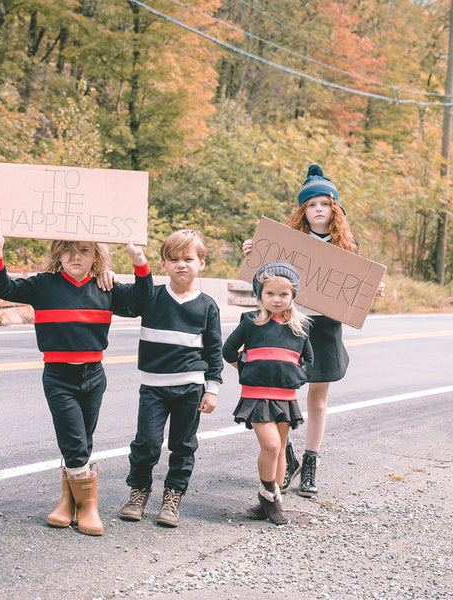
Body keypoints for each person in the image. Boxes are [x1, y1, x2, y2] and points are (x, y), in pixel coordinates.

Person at [0, 229, 153, 536]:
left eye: (85, 251)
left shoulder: (105, 287)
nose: (75, 257)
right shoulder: (43, 285)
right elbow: (4, 287)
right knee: (74, 441)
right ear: (57, 254)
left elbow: (142, 301)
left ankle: (68, 501)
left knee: (82, 443)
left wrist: (138, 259)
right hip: (58, 377)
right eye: (68, 250)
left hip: (94, 375)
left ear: (97, 257)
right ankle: (88, 507)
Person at [242, 164, 382, 497]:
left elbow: (354, 294)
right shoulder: (288, 244)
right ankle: (285, 458)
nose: (318, 209)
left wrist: (372, 292)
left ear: (335, 208)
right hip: (290, 324)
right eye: (312, 204)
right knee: (281, 397)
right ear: (303, 211)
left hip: (325, 328)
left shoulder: (347, 245)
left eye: (324, 203)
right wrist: (253, 256)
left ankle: (310, 463)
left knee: (318, 401)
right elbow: (262, 285)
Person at [118, 229, 224, 528]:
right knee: (147, 443)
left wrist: (212, 389)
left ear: (201, 263)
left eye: (188, 258)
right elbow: (123, 303)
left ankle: (173, 496)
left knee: (183, 445)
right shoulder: (151, 296)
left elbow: (214, 351)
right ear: (163, 264)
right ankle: (138, 492)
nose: (181, 264)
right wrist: (108, 276)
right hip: (153, 387)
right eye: (173, 259)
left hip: (190, 388)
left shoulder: (207, 306)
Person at [223, 261, 313, 525]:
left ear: (293, 296)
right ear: (260, 295)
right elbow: (228, 351)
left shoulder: (300, 327)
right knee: (271, 445)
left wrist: (294, 376)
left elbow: (308, 360)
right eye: (270, 293)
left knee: (281, 448)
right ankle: (268, 496)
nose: (276, 299)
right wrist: (249, 370)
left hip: (285, 397)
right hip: (257, 396)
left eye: (283, 294)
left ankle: (271, 501)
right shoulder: (250, 322)